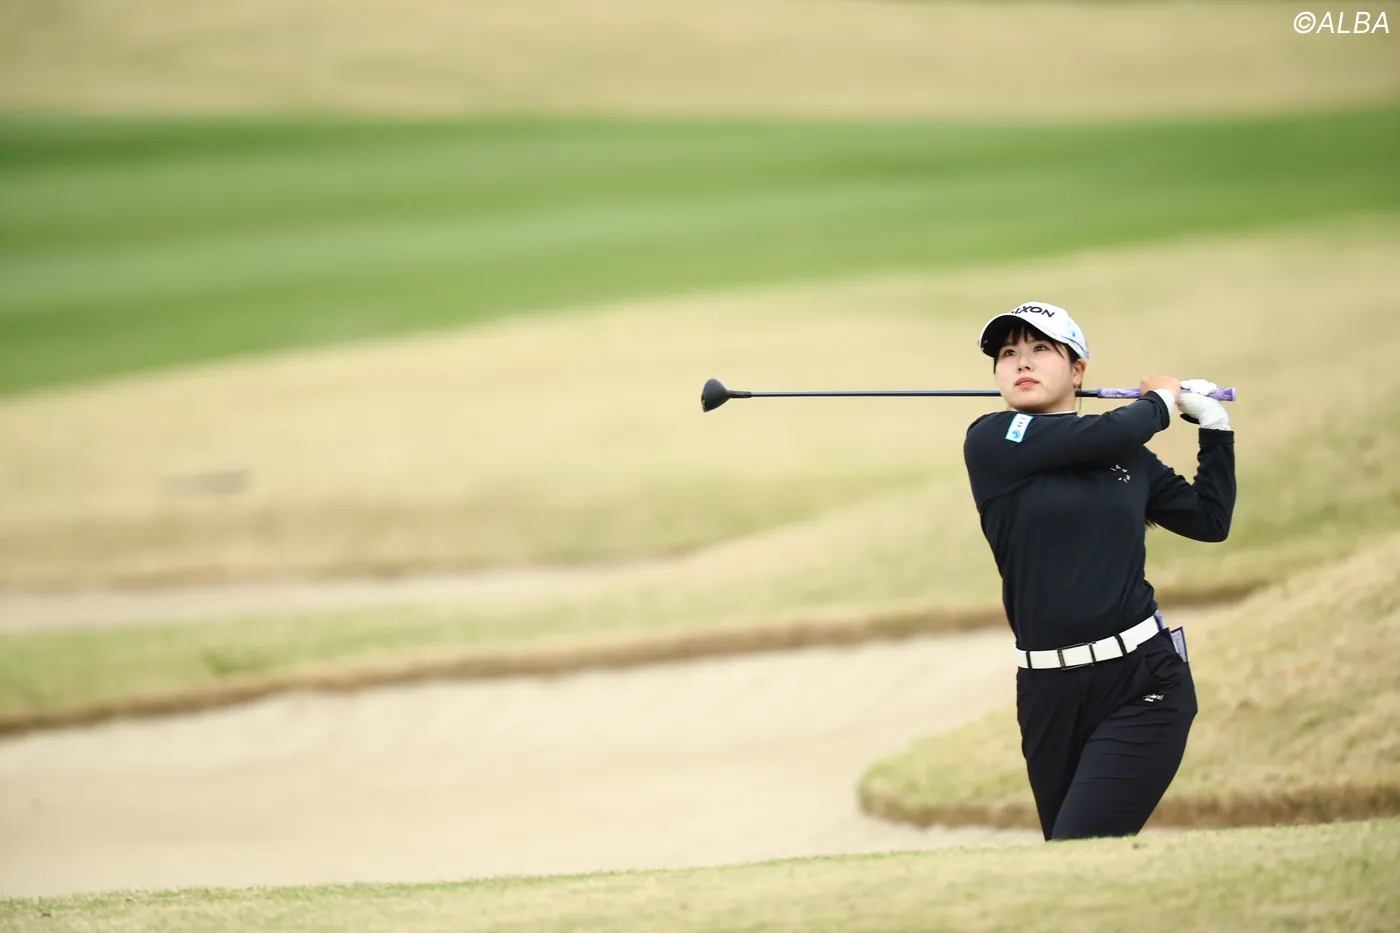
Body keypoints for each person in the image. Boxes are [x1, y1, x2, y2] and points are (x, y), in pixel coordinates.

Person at [961, 301, 1236, 841]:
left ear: (1078, 371)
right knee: (1070, 863)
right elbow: (1100, 436)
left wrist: (1215, 427)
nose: (1022, 361)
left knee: (1079, 844)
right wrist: (1159, 401)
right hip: (1045, 693)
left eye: (1041, 348)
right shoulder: (993, 439)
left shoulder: (1125, 455)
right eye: (1008, 353)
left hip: (1142, 681)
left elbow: (1209, 520)